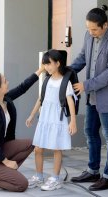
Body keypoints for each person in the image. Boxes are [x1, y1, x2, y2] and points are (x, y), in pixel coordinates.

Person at [69, 5, 108, 191]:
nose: (90, 32)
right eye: (88, 28)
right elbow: (82, 57)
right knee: (90, 133)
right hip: (92, 97)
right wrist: (67, 72)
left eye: (94, 29)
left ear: (105, 25)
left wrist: (86, 85)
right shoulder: (89, 36)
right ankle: (93, 170)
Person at [25, 49, 77, 191]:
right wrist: (31, 115)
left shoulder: (65, 82)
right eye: (44, 64)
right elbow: (41, 99)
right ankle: (39, 176)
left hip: (57, 118)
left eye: (49, 64)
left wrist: (73, 121)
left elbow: (70, 101)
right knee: (38, 148)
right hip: (44, 118)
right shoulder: (46, 80)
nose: (46, 67)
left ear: (58, 63)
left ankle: (55, 178)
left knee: (56, 148)